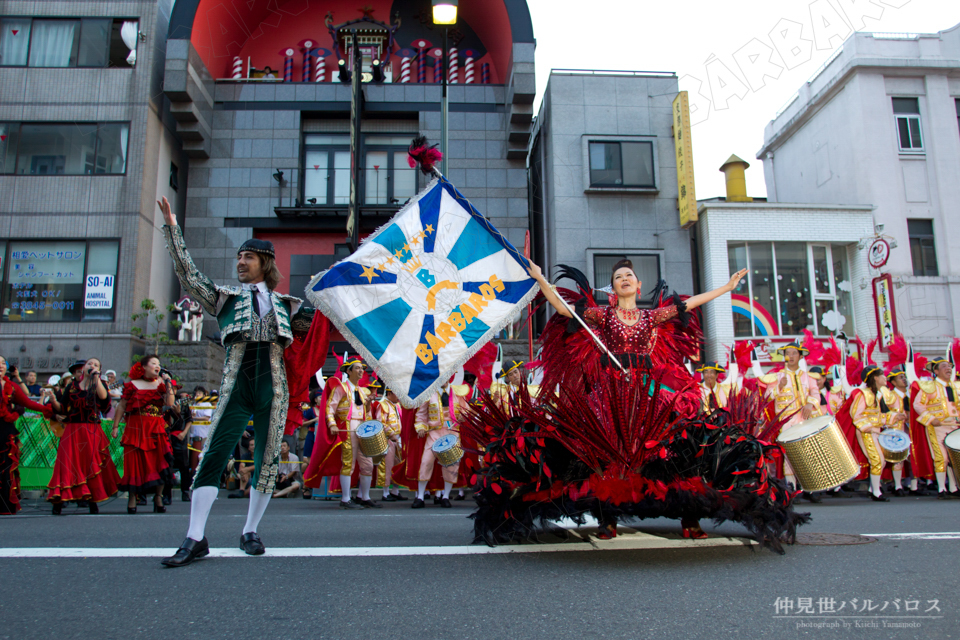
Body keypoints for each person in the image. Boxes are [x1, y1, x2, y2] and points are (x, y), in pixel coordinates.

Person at [510, 260, 798, 546]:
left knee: (673, 451)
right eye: (618, 276)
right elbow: (562, 308)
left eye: (629, 275)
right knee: (606, 455)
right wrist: (539, 278)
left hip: (647, 394)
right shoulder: (603, 315)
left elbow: (689, 304)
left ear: (638, 285)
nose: (624, 278)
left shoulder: (650, 317)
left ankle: (689, 515)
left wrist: (727, 287)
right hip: (611, 392)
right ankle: (607, 516)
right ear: (612, 288)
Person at [157, 195, 313, 566]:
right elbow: (189, 276)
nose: (240, 263)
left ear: (266, 263)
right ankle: (195, 536)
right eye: (239, 257)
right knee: (213, 454)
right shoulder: (225, 298)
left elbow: (325, 324)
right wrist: (173, 229)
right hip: (235, 387)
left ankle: (250, 530)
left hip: (273, 390)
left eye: (249, 257)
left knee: (267, 459)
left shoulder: (289, 306)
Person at [45, 359, 120, 514]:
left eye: (96, 365)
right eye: (89, 364)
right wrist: (53, 401)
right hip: (72, 430)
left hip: (91, 430)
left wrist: (96, 378)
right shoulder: (71, 387)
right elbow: (62, 408)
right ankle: (59, 500)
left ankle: (92, 500)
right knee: (66, 464)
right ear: (83, 368)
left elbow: (105, 401)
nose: (92, 366)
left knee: (90, 464)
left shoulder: (99, 385)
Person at [112, 356, 176, 514]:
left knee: (159, 461)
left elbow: (169, 403)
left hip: (156, 426)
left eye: (159, 364)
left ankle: (158, 497)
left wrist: (168, 382)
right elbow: (121, 406)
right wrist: (115, 426)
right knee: (134, 463)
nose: (157, 366)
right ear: (144, 367)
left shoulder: (162, 383)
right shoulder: (132, 385)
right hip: (135, 427)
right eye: (153, 363)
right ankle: (133, 498)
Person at [759, 343, 821, 503]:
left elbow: (815, 392)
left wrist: (810, 403)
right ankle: (792, 490)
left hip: (806, 419)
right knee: (790, 456)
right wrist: (779, 386)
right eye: (788, 353)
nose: (791, 356)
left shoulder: (808, 376)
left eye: (794, 353)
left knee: (809, 455)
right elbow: (768, 396)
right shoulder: (777, 376)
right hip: (787, 422)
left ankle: (811, 488)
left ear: (801, 357)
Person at [838, 365, 903, 501]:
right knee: (877, 460)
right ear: (875, 378)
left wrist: (895, 417)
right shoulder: (863, 394)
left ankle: (873, 489)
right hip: (867, 432)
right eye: (882, 375)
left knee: (881, 461)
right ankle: (876, 492)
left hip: (876, 431)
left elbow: (878, 416)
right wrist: (867, 427)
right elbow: (856, 414)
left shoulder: (876, 395)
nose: (885, 378)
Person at [0, 356, 54, 515]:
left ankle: (4, 506)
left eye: (3, 363)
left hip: (6, 432)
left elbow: (28, 403)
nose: (1, 366)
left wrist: (48, 410)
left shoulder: (12, 386)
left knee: (6, 469)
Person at [324, 359, 376, 509]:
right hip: (348, 426)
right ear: (349, 371)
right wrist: (332, 424)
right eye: (358, 368)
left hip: (362, 427)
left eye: (362, 369)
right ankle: (346, 498)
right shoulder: (340, 388)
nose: (361, 371)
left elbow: (366, 412)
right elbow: (330, 408)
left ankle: (364, 496)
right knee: (348, 462)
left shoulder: (364, 391)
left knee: (368, 463)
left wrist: (368, 403)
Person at [913, 356, 960, 499]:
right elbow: (918, 405)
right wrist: (931, 419)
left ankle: (953, 488)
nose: (949, 369)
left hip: (955, 426)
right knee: (941, 458)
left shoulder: (956, 386)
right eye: (944, 366)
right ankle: (941, 489)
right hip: (938, 426)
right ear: (936, 370)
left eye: (950, 366)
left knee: (954, 458)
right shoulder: (929, 387)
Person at [411, 386, 458, 509]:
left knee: (450, 463)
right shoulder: (429, 393)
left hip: (451, 431)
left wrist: (463, 418)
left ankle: (446, 496)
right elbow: (421, 413)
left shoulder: (457, 392)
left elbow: (466, 411)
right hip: (434, 432)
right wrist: (421, 427)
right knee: (426, 461)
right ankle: (420, 496)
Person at [373, 387, 405, 502]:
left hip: (398, 439)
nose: (399, 397)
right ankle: (385, 493)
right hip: (387, 439)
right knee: (387, 465)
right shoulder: (382, 405)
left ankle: (395, 491)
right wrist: (392, 435)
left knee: (398, 465)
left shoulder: (396, 405)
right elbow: (380, 422)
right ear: (390, 393)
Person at [165, 390, 195, 502]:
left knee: (184, 465)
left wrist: (184, 433)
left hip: (178, 436)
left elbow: (189, 420)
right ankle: (166, 495)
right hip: (164, 436)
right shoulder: (161, 401)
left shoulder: (182, 403)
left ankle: (185, 492)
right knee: (167, 465)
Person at [189, 386, 214, 473]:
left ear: (204, 394)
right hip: (194, 433)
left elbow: (207, 417)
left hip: (204, 434)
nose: (197, 394)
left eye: (199, 393)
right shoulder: (194, 404)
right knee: (194, 456)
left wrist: (194, 418)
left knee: (201, 454)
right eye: (196, 393)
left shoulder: (207, 404)